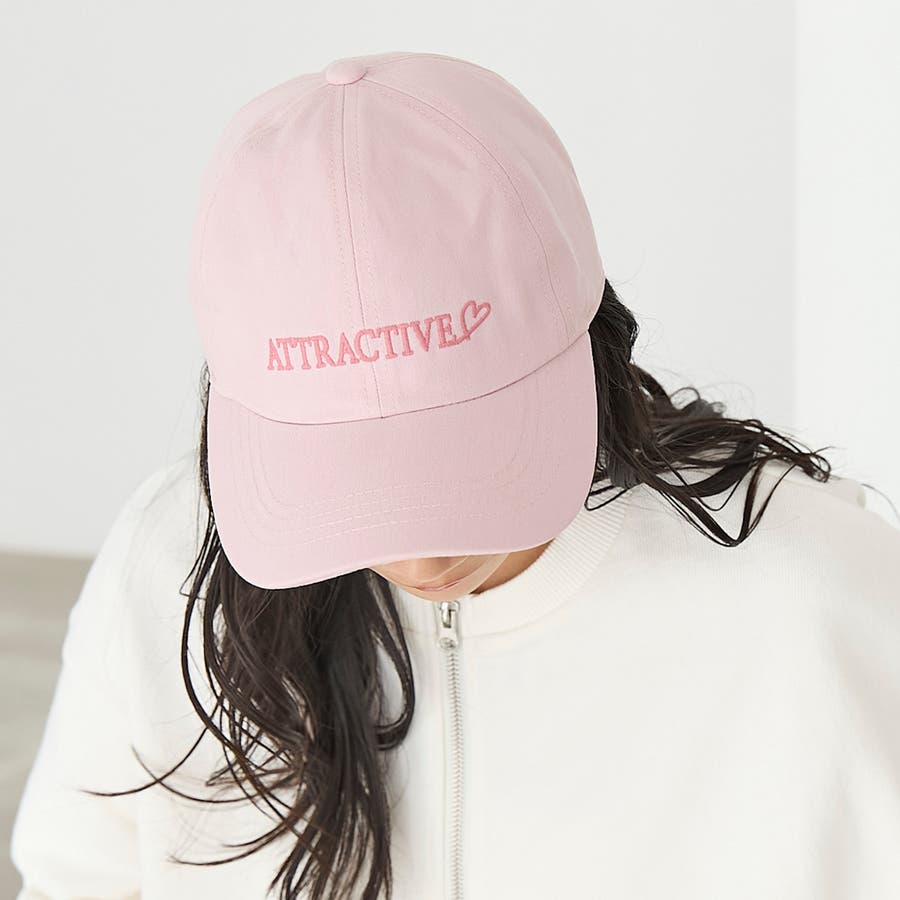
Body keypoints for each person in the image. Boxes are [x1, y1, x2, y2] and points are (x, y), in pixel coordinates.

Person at [10, 50, 900, 900]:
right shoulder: (166, 570)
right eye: (348, 483)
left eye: (464, 455)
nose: (423, 556)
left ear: (585, 334)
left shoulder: (805, 601)